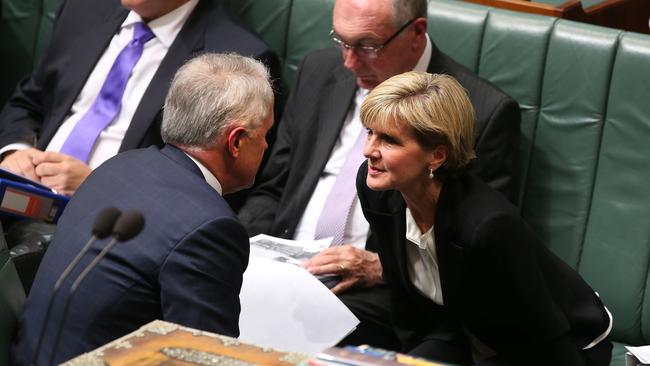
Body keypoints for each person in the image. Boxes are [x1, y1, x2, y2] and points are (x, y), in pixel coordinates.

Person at [238, 0, 520, 348]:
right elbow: (273, 188)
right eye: (341, 41)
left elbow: (476, 252)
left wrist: (384, 266)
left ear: (416, 32)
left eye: (367, 46)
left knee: (280, 325)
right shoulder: (318, 70)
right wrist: (240, 245)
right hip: (283, 266)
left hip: (377, 290)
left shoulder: (480, 111)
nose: (349, 61)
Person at [10, 53, 275, 365]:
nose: (268, 146)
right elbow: (201, 359)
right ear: (236, 141)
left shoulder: (116, 168)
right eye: (265, 135)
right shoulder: (210, 227)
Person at [356, 71, 612, 365]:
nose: (368, 151)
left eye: (388, 140)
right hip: (463, 332)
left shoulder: (487, 225)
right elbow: (403, 301)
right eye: (369, 132)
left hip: (554, 347)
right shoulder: (376, 189)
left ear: (436, 156)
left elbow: (545, 332)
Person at [0, 0, 280, 196]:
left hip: (114, 225)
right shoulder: (83, 9)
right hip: (23, 187)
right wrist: (16, 152)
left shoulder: (234, 60)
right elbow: (30, 100)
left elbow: (211, 181)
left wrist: (98, 187)